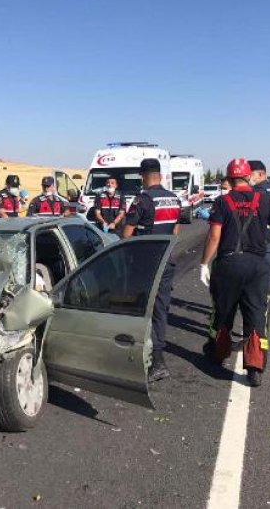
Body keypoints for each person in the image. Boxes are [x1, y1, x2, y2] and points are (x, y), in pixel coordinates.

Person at [199, 158, 270, 387]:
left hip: (228, 263)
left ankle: (217, 354)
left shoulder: (222, 201)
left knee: (223, 311)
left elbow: (214, 236)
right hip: (257, 264)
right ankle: (255, 367)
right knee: (256, 313)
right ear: (248, 176)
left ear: (229, 178)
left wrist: (204, 263)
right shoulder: (264, 199)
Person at [122, 159, 182, 382]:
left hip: (144, 262)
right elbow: (176, 230)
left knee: (140, 308)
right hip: (165, 259)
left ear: (142, 176)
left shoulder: (142, 199)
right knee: (160, 308)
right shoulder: (174, 199)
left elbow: (127, 234)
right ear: (160, 175)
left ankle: (146, 358)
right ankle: (157, 359)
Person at [248, 160, 270, 337]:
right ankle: (261, 328)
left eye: (250, 174)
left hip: (260, 245)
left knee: (257, 289)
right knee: (265, 288)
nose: (248, 178)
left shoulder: (258, 193)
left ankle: (256, 332)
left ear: (260, 174)